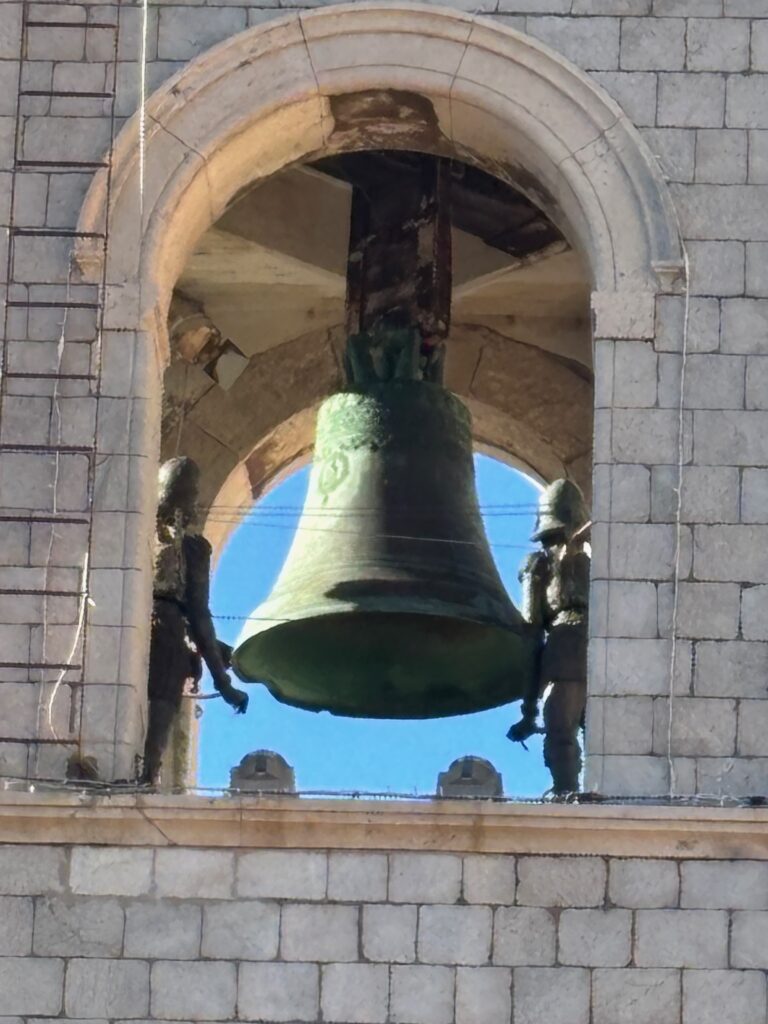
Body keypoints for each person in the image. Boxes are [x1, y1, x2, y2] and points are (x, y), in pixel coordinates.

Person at [142, 457, 248, 785]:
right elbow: (199, 615)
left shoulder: (137, 533)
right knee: (162, 703)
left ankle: (139, 775)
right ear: (191, 502)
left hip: (132, 624)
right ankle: (147, 776)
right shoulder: (193, 548)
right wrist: (224, 683)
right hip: (168, 631)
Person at [507, 479, 590, 795]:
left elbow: (532, 628)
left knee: (559, 732)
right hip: (610, 655)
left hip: (565, 652)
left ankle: (566, 794)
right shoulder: (596, 565)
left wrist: (529, 709)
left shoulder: (537, 564)